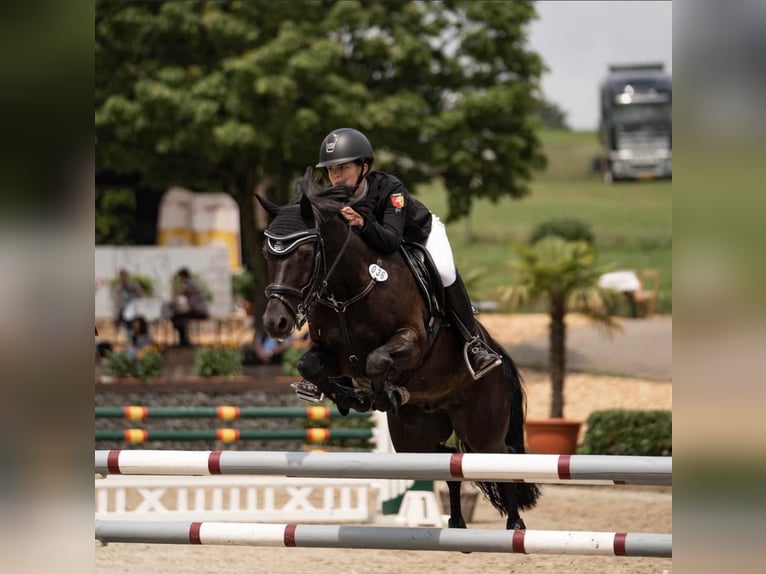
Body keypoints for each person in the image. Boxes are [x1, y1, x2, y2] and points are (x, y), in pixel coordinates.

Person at [315, 128, 501, 380]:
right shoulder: (330, 200)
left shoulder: (391, 189)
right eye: (331, 170)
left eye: (343, 168)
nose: (336, 177)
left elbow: (391, 240)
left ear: (364, 167)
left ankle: (474, 344)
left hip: (419, 235)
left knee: (445, 272)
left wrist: (362, 223)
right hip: (375, 245)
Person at [170, 268, 210, 347]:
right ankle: (183, 339)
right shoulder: (193, 283)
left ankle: (183, 340)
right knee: (178, 317)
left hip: (198, 311)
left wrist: (174, 296)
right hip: (199, 310)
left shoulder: (188, 283)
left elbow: (181, 293)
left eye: (179, 277)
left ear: (183, 276)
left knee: (176, 317)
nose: (179, 279)